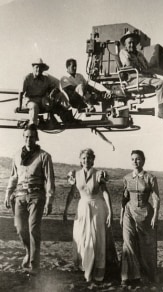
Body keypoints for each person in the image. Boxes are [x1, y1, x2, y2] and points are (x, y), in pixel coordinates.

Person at [4, 125, 54, 273]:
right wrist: (7, 194)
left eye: (31, 137)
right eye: (26, 136)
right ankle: (28, 251)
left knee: (33, 230)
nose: (28, 139)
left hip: (36, 196)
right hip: (19, 196)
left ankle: (34, 264)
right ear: (23, 137)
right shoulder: (16, 155)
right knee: (20, 229)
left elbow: (49, 180)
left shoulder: (44, 156)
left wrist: (49, 200)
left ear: (36, 138)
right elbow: (14, 177)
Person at [119, 30, 163, 124]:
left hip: (143, 77)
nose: (132, 45)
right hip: (133, 79)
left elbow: (146, 67)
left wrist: (147, 70)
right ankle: (161, 112)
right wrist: (141, 68)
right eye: (130, 43)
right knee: (160, 83)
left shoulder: (139, 54)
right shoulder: (123, 52)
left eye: (134, 42)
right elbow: (129, 65)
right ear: (125, 44)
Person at [68, 148, 113, 283]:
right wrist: (65, 210)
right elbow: (71, 193)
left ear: (93, 160)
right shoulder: (75, 174)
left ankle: (94, 271)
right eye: (83, 158)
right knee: (81, 238)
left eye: (89, 158)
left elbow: (105, 193)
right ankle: (85, 267)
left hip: (97, 208)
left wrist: (110, 212)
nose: (86, 160)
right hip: (82, 208)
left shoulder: (99, 174)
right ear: (80, 160)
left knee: (95, 239)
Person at [121, 150, 160, 285]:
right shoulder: (126, 178)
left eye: (138, 159)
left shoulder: (150, 178)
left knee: (146, 245)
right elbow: (124, 199)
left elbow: (156, 198)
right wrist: (121, 216)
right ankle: (127, 276)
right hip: (129, 212)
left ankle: (149, 273)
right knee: (128, 242)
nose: (135, 161)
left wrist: (155, 215)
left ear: (143, 161)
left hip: (145, 213)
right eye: (132, 159)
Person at [21, 58, 78, 126]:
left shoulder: (45, 79)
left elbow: (54, 87)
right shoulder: (27, 78)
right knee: (34, 106)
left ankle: (68, 118)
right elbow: (21, 93)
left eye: (40, 68)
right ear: (33, 68)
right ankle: (32, 124)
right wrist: (19, 107)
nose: (38, 70)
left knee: (58, 98)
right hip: (30, 100)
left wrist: (54, 92)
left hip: (42, 100)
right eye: (36, 67)